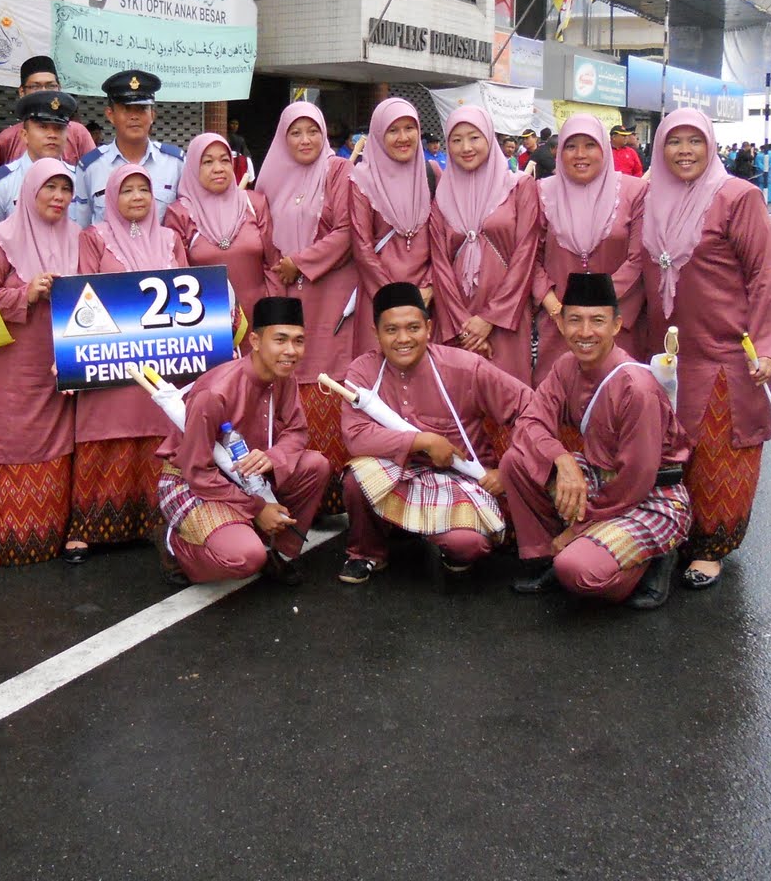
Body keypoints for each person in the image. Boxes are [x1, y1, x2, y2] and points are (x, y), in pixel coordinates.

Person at [641, 110, 771, 589]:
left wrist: (765, 346)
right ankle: (669, 535)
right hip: (664, 352)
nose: (684, 151)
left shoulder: (738, 197)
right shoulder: (648, 196)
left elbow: (764, 276)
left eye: (694, 141)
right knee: (666, 451)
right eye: (673, 142)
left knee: (720, 452)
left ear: (711, 146)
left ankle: (710, 547)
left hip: (724, 349)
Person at [498, 273, 692, 610]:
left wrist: (577, 529)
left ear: (617, 326)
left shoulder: (637, 387)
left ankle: (652, 557)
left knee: (578, 571)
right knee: (515, 461)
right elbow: (530, 422)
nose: (585, 332)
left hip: (648, 497)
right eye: (575, 320)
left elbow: (636, 480)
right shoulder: (565, 367)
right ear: (561, 323)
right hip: (603, 484)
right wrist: (562, 459)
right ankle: (548, 558)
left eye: (597, 321)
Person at [337, 282, 534, 584]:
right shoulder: (362, 371)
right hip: (397, 475)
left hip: (461, 479)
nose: (403, 339)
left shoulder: (464, 367)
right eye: (391, 330)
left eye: (413, 327)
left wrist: (507, 468)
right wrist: (421, 441)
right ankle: (366, 553)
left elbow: (530, 409)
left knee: (467, 547)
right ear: (376, 333)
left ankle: (444, 542)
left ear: (429, 328)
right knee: (356, 480)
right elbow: (355, 435)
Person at [154, 296, 332, 585]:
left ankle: (280, 552)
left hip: (249, 477)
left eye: (298, 341)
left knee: (316, 465)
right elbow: (197, 471)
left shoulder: (284, 376)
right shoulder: (215, 393)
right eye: (281, 340)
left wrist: (273, 457)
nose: (291, 351)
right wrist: (258, 509)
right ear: (256, 341)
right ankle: (177, 547)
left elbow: (297, 432)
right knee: (244, 558)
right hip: (194, 483)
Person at [69, 164, 189, 562]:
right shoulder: (94, 238)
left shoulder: (171, 238)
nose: (137, 197)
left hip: (162, 361)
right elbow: (81, 294)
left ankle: (156, 521)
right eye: (127, 190)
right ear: (111, 197)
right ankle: (91, 526)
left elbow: (189, 297)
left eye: (143, 189)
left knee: (158, 428)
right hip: (111, 361)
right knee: (107, 430)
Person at [0, 161, 81, 564]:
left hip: (60, 362)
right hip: (13, 366)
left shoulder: (79, 238)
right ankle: (5, 537)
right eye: (50, 188)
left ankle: (49, 532)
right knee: (13, 437)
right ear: (29, 191)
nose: (59, 197)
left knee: (58, 441)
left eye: (66, 189)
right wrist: (23, 294)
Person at [258, 102, 359, 513]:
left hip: (330, 290)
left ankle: (334, 492)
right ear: (283, 137)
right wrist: (278, 276)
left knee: (327, 377)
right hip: (284, 291)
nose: (305, 140)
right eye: (296, 132)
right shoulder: (268, 181)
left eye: (312, 131)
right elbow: (262, 240)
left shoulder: (339, 171)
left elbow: (347, 231)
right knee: (288, 375)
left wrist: (299, 262)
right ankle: (298, 485)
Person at [428, 105, 539, 384]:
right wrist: (464, 327)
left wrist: (490, 319)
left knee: (509, 398)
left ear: (490, 138)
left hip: (506, 319)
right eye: (456, 139)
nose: (466, 147)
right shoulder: (442, 195)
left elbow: (525, 256)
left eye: (474, 137)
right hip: (456, 323)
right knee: (458, 402)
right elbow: (439, 264)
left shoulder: (519, 187)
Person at [531, 114, 646, 381]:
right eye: (571, 146)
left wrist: (596, 309)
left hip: (616, 323)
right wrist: (557, 309)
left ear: (604, 149)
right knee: (559, 404)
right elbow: (531, 258)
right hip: (559, 324)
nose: (580, 154)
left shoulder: (634, 192)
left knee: (618, 401)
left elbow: (638, 258)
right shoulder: (541, 192)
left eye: (590, 145)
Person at [165, 132, 277, 335]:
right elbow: (177, 275)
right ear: (192, 168)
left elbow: (273, 263)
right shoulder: (180, 213)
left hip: (260, 318)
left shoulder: (255, 204)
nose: (218, 168)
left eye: (225, 160)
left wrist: (274, 313)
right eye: (207, 162)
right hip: (206, 324)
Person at [349, 97, 433, 356]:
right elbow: (362, 246)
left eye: (410, 128)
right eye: (393, 130)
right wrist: (394, 298)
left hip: (425, 295)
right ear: (377, 134)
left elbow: (442, 240)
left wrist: (429, 286)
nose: (403, 137)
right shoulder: (362, 179)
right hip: (380, 294)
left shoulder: (431, 174)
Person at [75, 70, 185, 226]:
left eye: (141, 109)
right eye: (126, 109)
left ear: (153, 115)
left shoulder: (175, 163)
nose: (134, 116)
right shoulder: (91, 167)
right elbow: (83, 228)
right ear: (110, 115)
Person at [0, 90, 80, 225]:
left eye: (59, 128)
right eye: (43, 127)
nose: (52, 135)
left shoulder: (80, 180)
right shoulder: (0, 186)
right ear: (24, 135)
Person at [0, 56, 99, 167]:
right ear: (22, 91)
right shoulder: (7, 139)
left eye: (51, 86)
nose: (44, 92)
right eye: (35, 86)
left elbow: (93, 174)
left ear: (59, 88)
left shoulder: (78, 134)